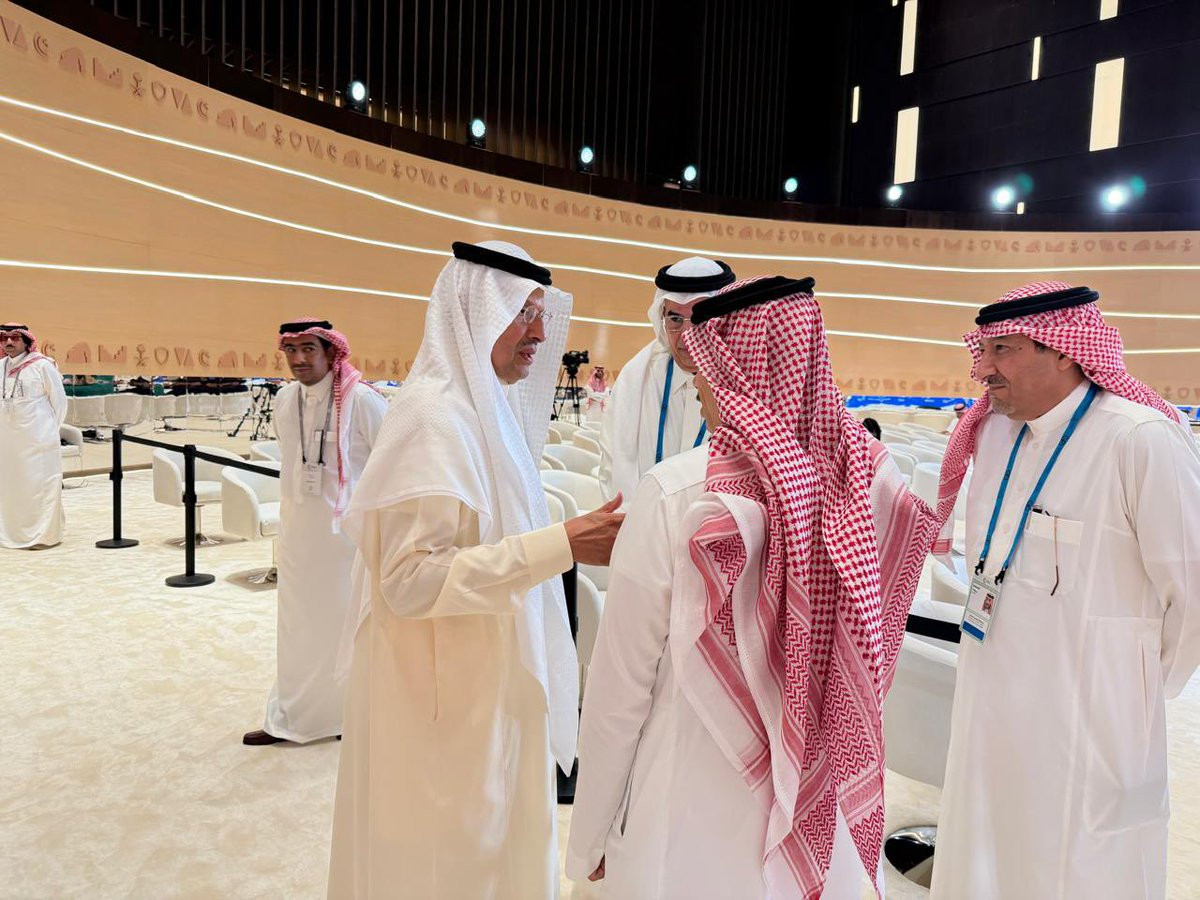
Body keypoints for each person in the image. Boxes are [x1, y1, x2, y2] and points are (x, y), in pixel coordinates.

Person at [567, 276, 941, 898]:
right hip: (823, 794)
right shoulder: (877, 484)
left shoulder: (676, 494)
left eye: (706, 371)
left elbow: (619, 692)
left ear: (733, 373)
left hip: (690, 794)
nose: (697, 386)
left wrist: (589, 836)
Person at [327, 241, 624, 899]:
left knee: (495, 849)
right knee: (447, 861)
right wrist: (563, 544)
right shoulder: (435, 419)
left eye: (541, 315)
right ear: (476, 314)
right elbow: (408, 581)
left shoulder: (487, 409)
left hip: (487, 679)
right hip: (442, 695)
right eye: (523, 314)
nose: (540, 335)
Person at [929, 282, 1200, 900]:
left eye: (1003, 349)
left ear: (1064, 351)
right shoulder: (993, 434)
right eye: (982, 349)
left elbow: (1193, 591)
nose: (983, 368)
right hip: (989, 692)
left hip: (1092, 713)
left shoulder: (1138, 438)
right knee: (986, 844)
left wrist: (1131, 681)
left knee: (1080, 864)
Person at [242, 319, 388, 747]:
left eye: (308, 348)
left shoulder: (362, 400)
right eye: (291, 350)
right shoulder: (285, 399)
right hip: (299, 536)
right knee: (297, 626)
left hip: (347, 540)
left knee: (343, 626)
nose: (299, 359)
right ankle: (292, 714)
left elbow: (392, 464)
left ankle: (348, 715)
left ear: (330, 351)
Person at [598, 257, 736, 504]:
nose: (686, 336)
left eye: (699, 319)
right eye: (675, 319)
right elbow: (613, 469)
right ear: (661, 317)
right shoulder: (635, 378)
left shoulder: (741, 384)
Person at [0, 323, 67, 549]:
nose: (9, 342)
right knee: (11, 485)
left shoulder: (42, 365)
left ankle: (42, 535)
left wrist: (48, 432)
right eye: (4, 338)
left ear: (27, 341)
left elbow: (59, 402)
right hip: (8, 442)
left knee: (39, 485)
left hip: (38, 440)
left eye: (15, 337)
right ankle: (12, 531)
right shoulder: (0, 366)